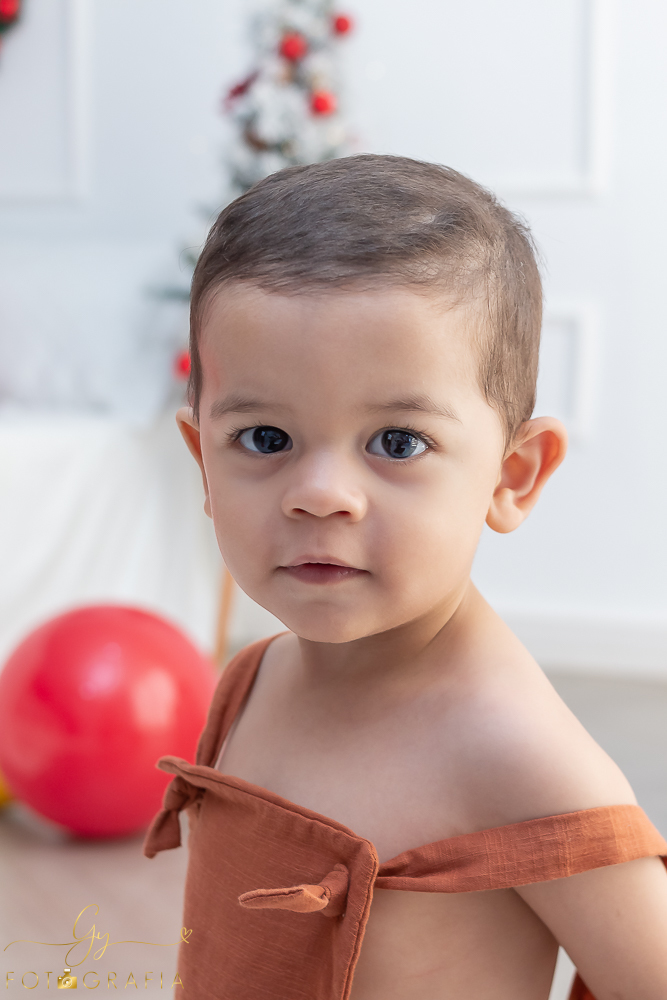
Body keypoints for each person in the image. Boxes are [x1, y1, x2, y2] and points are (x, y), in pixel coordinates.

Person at [143, 155, 667, 1000]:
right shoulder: (249, 682)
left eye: (396, 442)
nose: (319, 496)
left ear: (513, 475)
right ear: (203, 463)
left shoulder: (516, 753)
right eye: (265, 439)